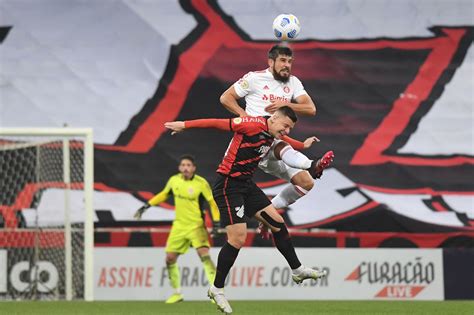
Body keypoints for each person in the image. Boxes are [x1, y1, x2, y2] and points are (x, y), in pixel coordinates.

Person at [165, 106, 330, 314]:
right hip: (227, 185)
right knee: (238, 238)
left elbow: (287, 143)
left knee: (277, 224)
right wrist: (185, 125)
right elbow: (218, 123)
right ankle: (217, 289)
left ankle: (297, 270)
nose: (287, 131)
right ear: (274, 118)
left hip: (246, 185)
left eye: (290, 128)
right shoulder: (252, 124)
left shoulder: (272, 133)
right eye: (286, 126)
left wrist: (302, 145)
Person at [219, 44, 334, 215]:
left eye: (290, 61)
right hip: (252, 141)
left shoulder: (293, 82)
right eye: (282, 60)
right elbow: (226, 97)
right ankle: (312, 164)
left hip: (274, 142)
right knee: (232, 184)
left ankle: (269, 213)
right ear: (271, 62)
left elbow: (311, 108)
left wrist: (286, 104)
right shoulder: (254, 78)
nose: (287, 65)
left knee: (306, 183)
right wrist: (244, 116)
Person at [133, 154, 220, 304]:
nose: (185, 168)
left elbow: (212, 203)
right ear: (180, 167)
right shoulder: (174, 180)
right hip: (178, 226)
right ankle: (177, 293)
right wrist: (146, 206)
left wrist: (217, 223)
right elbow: (163, 194)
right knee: (170, 258)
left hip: (196, 226)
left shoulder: (201, 183)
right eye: (183, 165)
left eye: (188, 165)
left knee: (204, 255)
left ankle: (216, 292)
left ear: (193, 168)